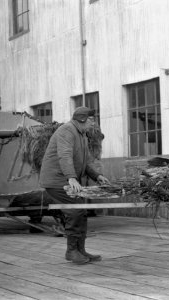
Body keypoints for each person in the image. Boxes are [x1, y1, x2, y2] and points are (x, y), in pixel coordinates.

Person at [39, 106, 110, 264]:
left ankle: (80, 250)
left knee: (80, 210)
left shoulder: (82, 135)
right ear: (82, 119)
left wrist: (97, 176)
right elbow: (64, 155)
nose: (93, 123)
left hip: (65, 179)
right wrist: (71, 177)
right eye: (91, 120)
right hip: (56, 180)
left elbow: (82, 162)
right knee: (75, 210)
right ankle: (71, 251)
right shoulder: (67, 130)